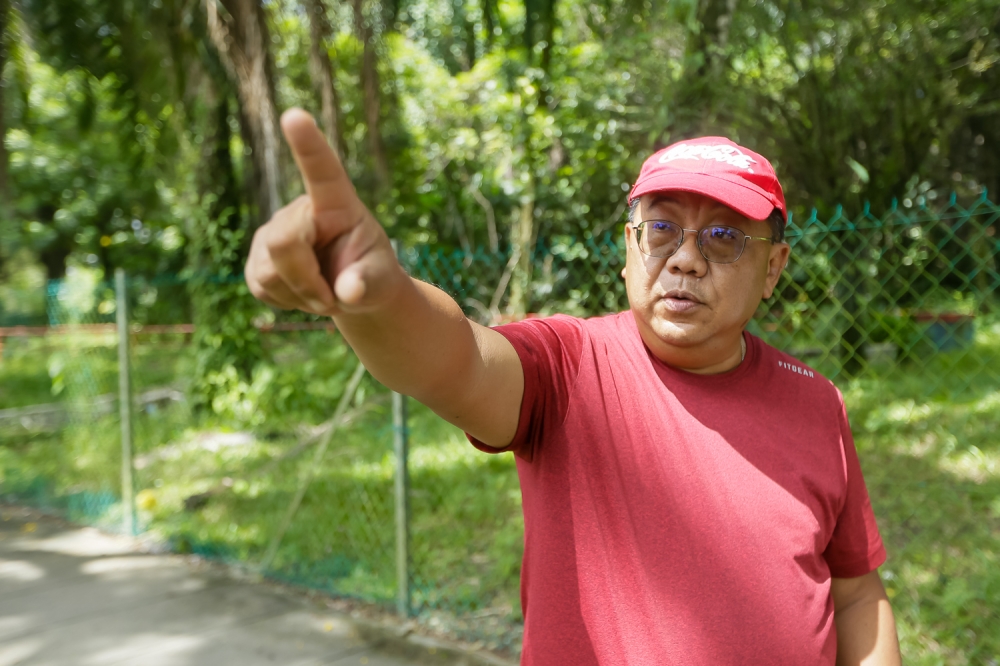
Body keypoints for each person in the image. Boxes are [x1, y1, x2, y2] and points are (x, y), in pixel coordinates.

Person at [245, 108, 902, 665]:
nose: (685, 257)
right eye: (662, 229)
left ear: (773, 268)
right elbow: (458, 362)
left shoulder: (815, 400)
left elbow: (856, 594)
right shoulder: (573, 365)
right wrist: (377, 297)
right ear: (627, 250)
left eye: (725, 238)